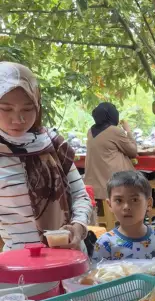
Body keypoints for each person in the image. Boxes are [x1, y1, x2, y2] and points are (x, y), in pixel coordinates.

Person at [0, 61, 92, 250]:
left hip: (68, 255)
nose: (18, 119)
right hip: (19, 261)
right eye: (6, 109)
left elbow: (80, 195)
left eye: (28, 109)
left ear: (37, 105)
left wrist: (78, 227)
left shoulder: (54, 145)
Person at [93, 170, 155, 262]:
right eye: (119, 200)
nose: (126, 207)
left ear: (149, 204)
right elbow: (97, 270)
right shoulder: (105, 244)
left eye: (134, 200)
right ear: (110, 205)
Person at [84, 102, 138, 202]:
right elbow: (133, 152)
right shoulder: (114, 131)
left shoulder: (90, 131)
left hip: (95, 187)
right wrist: (128, 131)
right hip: (115, 184)